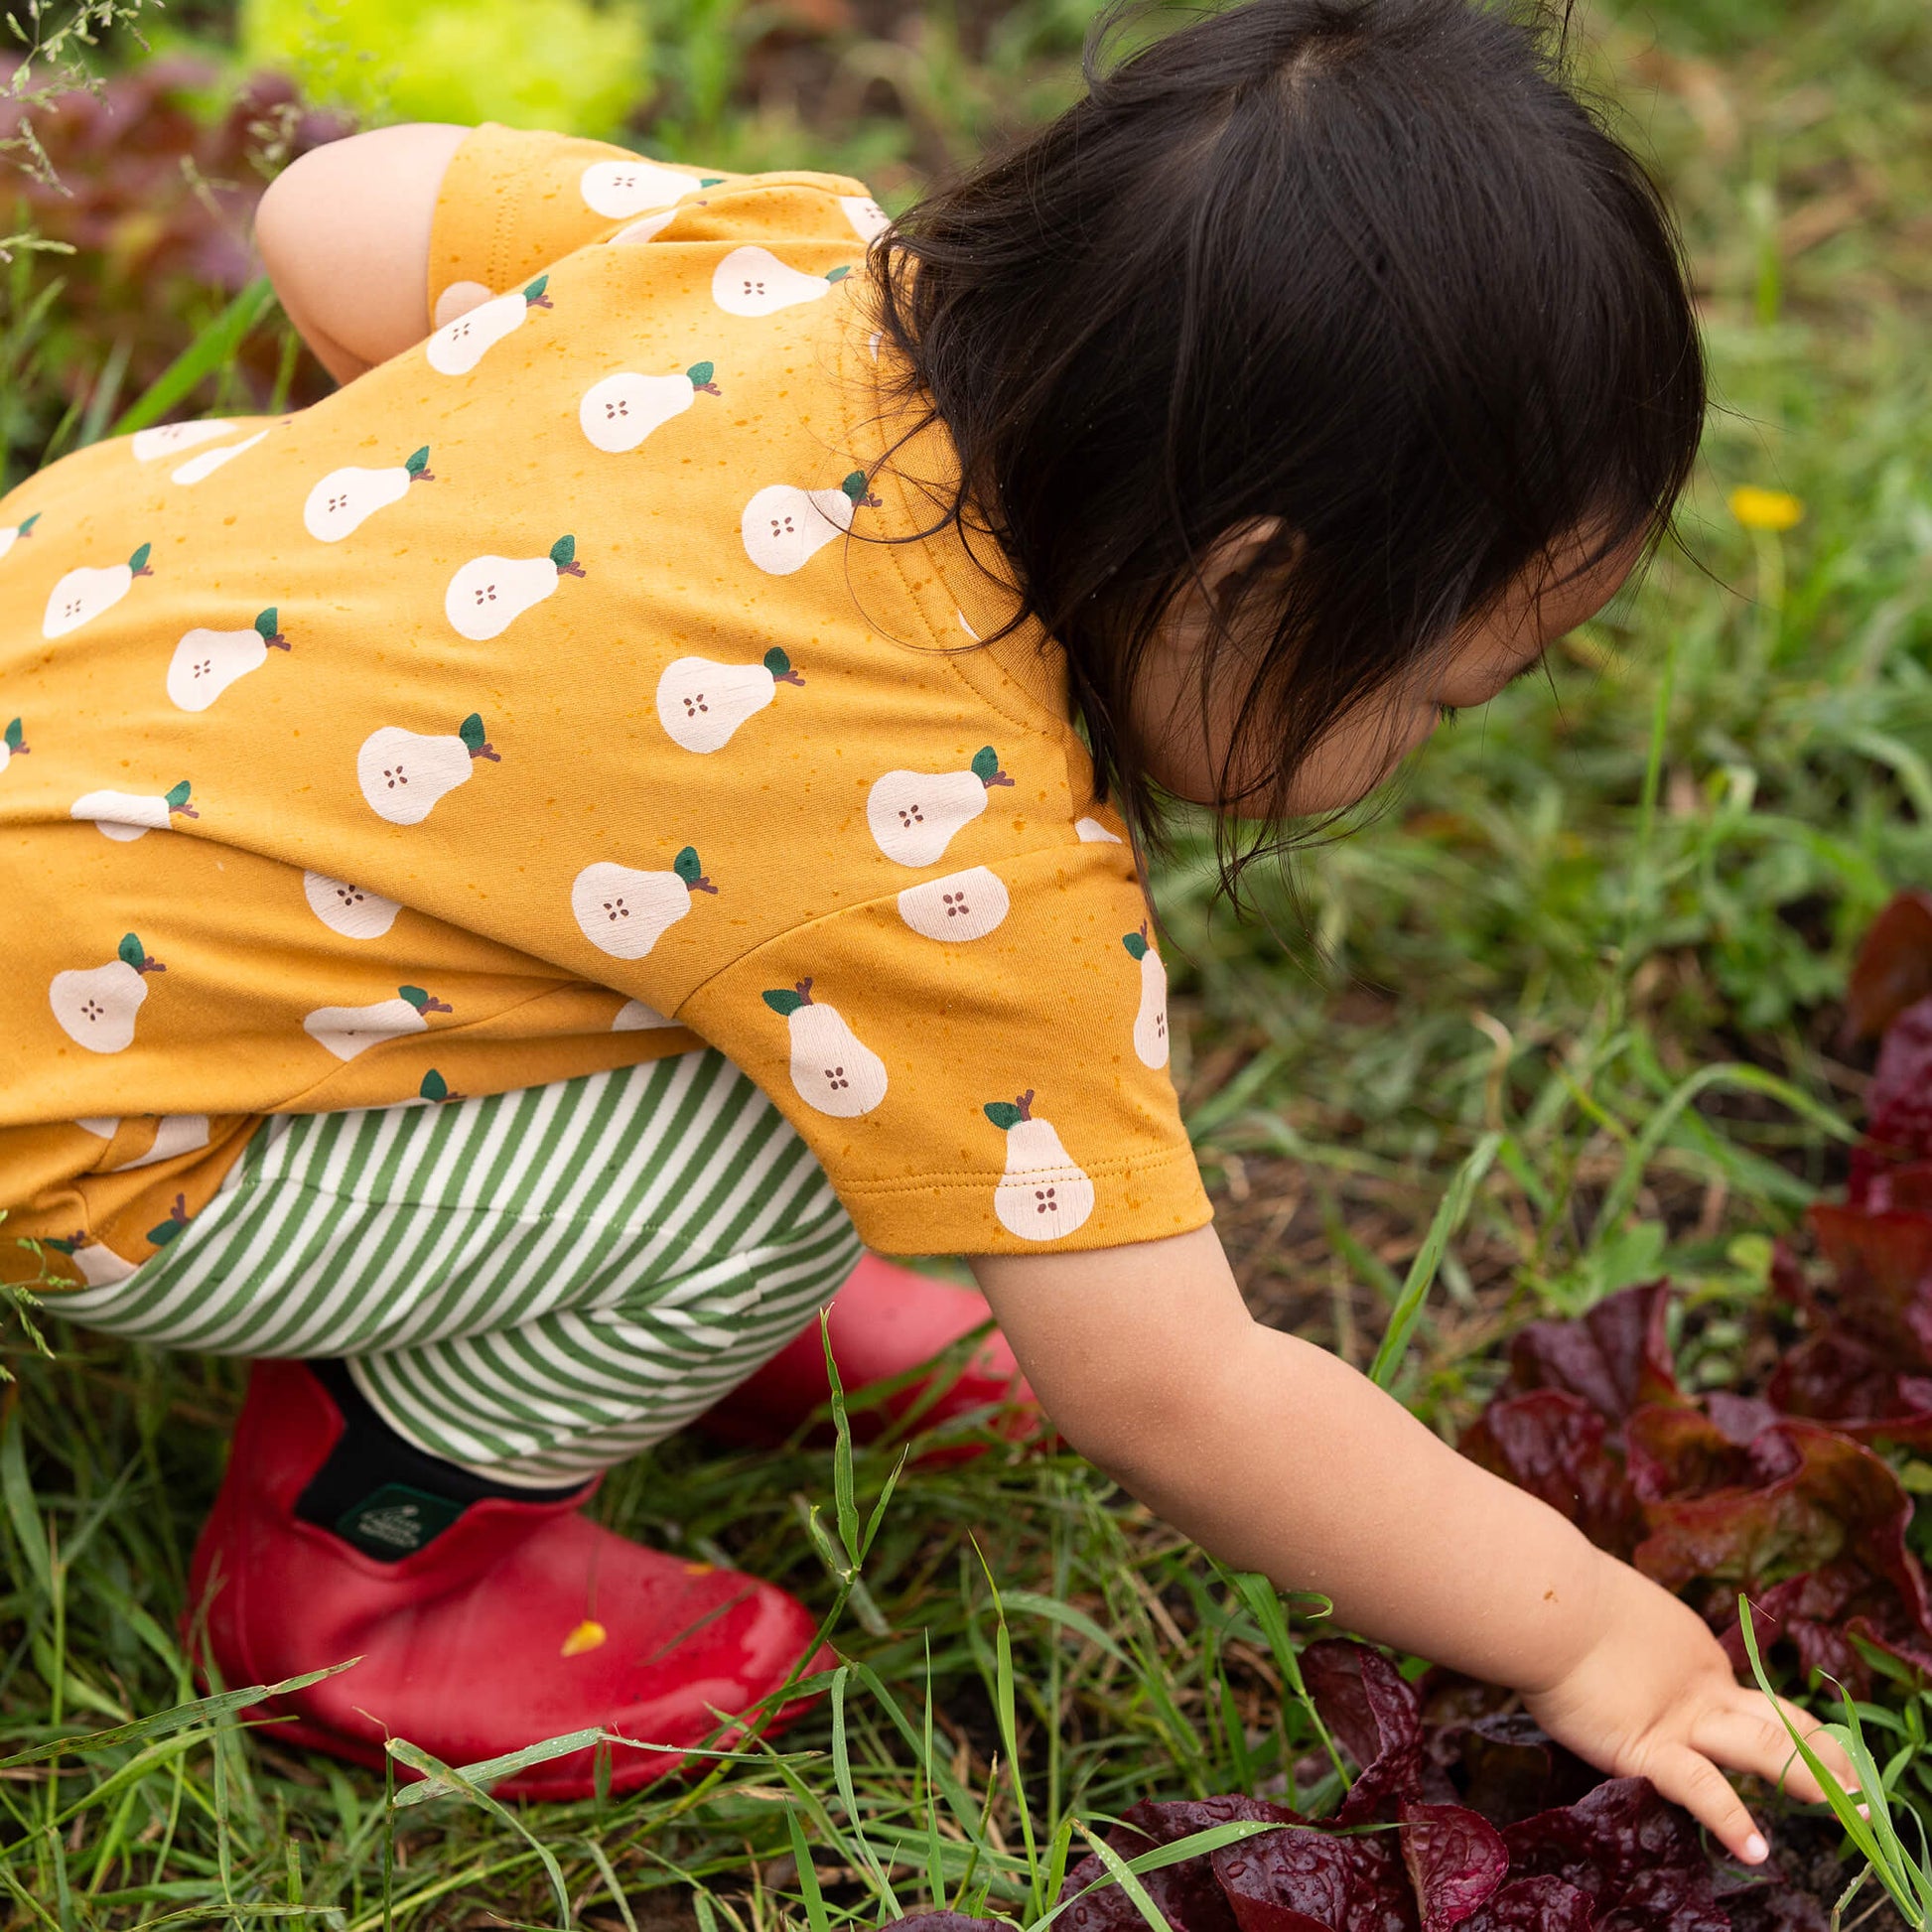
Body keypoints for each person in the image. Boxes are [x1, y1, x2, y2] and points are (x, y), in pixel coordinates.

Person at [0, 0, 1860, 1845]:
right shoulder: (950, 847)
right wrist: (1612, 1637)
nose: (1428, 743)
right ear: (1246, 582)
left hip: (49, 672)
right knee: (780, 1174)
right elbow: (1174, 1389)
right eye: (1440, 695)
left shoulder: (778, 254)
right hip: (86, 1125)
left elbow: (333, 220)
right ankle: (368, 1566)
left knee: (755, 983)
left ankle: (548, 1275)